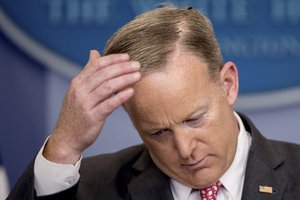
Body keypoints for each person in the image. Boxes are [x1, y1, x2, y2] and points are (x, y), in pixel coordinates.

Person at [7, 5, 300, 200]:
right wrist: (64, 146)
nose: (185, 150)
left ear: (228, 85)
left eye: (194, 118)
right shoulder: (94, 187)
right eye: (158, 133)